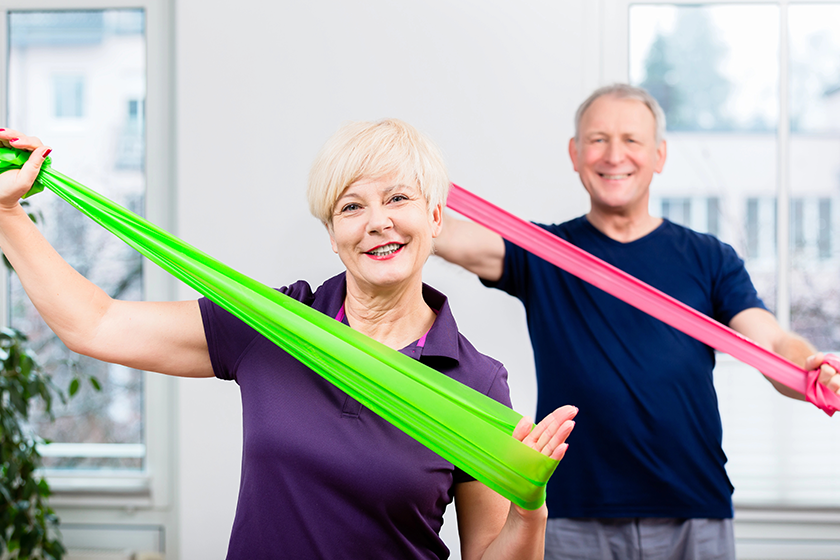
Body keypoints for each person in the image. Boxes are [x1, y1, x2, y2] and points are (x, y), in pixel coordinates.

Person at [0, 119, 577, 560]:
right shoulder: (275, 324)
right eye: (352, 206)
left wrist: (530, 511)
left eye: (397, 198)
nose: (377, 221)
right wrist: (8, 213)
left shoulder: (475, 381)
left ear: (435, 218)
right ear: (332, 234)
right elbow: (95, 323)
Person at [434, 83, 840, 560]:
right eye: (598, 139)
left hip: (694, 512)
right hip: (573, 514)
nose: (614, 155)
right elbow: (447, 235)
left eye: (631, 140)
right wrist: (397, 198)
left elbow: (771, 342)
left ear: (659, 155)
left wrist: (810, 369)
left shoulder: (709, 258)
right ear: (576, 152)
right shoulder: (542, 253)